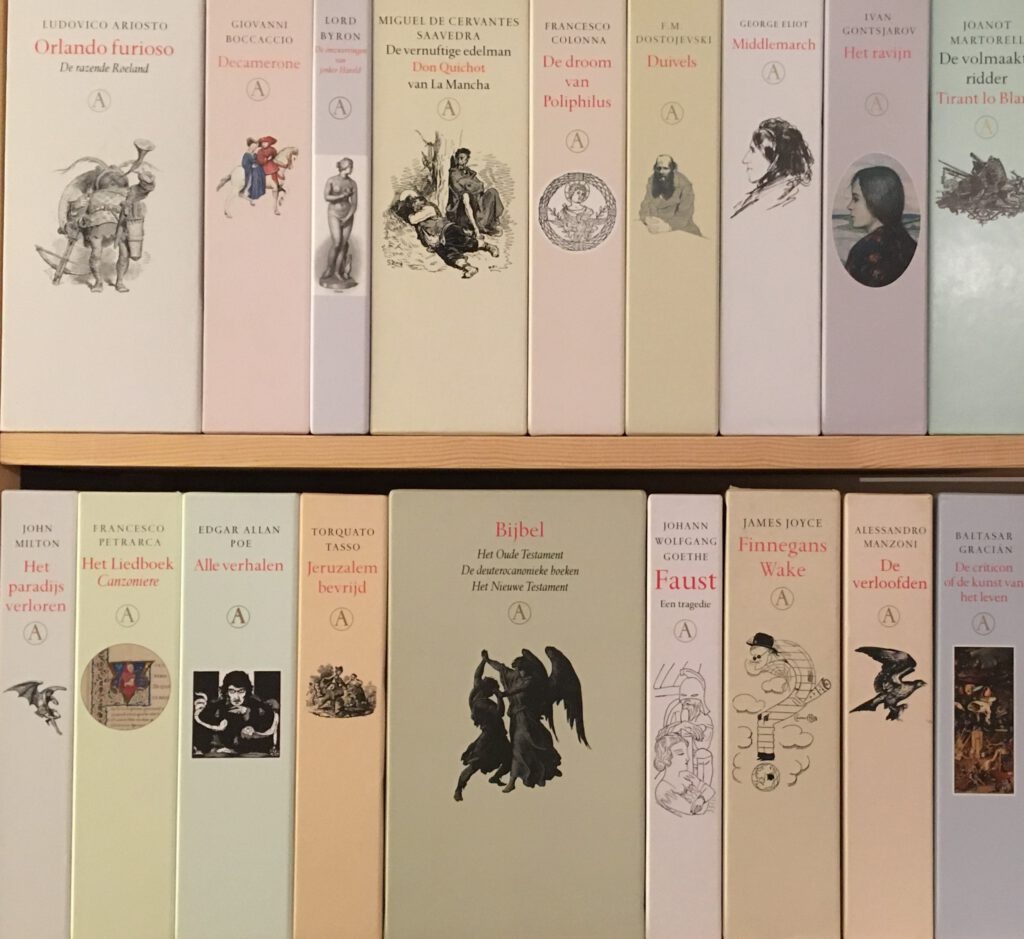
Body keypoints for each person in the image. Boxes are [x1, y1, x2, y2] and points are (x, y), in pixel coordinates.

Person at [483, 651, 561, 792]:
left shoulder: (531, 680)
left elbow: (519, 689)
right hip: (515, 719)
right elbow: (501, 668)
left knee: (520, 747)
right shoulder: (515, 676)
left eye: (522, 670)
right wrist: (487, 660)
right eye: (518, 670)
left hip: (527, 719)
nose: (520, 672)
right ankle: (539, 770)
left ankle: (512, 781)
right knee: (519, 747)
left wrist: (504, 694)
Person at [393, 191, 498, 278]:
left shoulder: (428, 208)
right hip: (439, 241)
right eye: (411, 203)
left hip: (447, 230)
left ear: (420, 200)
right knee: (449, 255)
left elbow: (413, 219)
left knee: (466, 242)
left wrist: (408, 214)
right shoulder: (419, 220)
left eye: (414, 201)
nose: (414, 204)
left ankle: (488, 246)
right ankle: (468, 268)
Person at [843, 165, 917, 288]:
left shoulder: (863, 250)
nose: (849, 206)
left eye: (856, 199)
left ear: (875, 200)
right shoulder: (909, 244)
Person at [454, 653, 513, 801]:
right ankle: (459, 789)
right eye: (492, 690)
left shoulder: (476, 696)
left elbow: (476, 676)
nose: (492, 693)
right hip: (490, 738)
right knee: (475, 765)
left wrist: (483, 661)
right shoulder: (482, 703)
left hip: (497, 736)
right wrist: (499, 697)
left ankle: (495, 778)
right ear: (488, 689)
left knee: (510, 758)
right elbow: (500, 713)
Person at [732, 117, 814, 217]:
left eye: (753, 151)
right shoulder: (762, 196)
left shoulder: (776, 202)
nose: (745, 159)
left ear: (776, 159)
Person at [193, 670, 279, 756]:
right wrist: (216, 725)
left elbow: (270, 720)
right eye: (232, 691)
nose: (237, 697)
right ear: (226, 692)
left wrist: (247, 712)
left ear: (247, 691)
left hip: (249, 751)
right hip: (222, 751)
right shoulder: (219, 705)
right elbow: (203, 722)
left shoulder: (255, 705)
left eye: (241, 691)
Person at [445, 148, 504, 236]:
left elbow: (480, 185)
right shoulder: (454, 174)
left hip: (477, 200)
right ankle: (478, 226)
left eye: (465, 159)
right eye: (460, 158)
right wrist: (472, 187)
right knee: (467, 197)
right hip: (463, 208)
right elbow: (461, 189)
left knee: (492, 192)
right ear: (456, 159)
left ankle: (491, 222)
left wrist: (472, 186)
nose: (462, 161)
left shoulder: (468, 172)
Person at [639, 154, 701, 235]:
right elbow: (645, 205)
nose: (661, 172)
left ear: (673, 169)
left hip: (682, 229)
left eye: (665, 168)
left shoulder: (684, 184)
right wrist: (647, 219)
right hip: (656, 229)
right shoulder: (652, 180)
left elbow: (684, 215)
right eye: (658, 168)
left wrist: (668, 226)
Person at [320, 158, 358, 289]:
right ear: (344, 167)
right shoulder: (331, 180)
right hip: (334, 214)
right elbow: (326, 197)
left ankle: (337, 272)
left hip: (347, 214)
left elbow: (354, 204)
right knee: (337, 242)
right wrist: (341, 196)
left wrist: (348, 217)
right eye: (350, 166)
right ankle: (329, 269)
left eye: (352, 166)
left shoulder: (352, 183)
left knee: (343, 244)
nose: (351, 168)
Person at [241, 138, 265, 203]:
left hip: (254, 167)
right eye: (254, 146)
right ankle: (251, 192)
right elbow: (244, 163)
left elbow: (255, 160)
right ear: (251, 145)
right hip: (249, 169)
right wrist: (251, 166)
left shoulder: (252, 153)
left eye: (256, 146)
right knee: (254, 176)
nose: (255, 148)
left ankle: (258, 191)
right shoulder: (247, 154)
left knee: (260, 171)